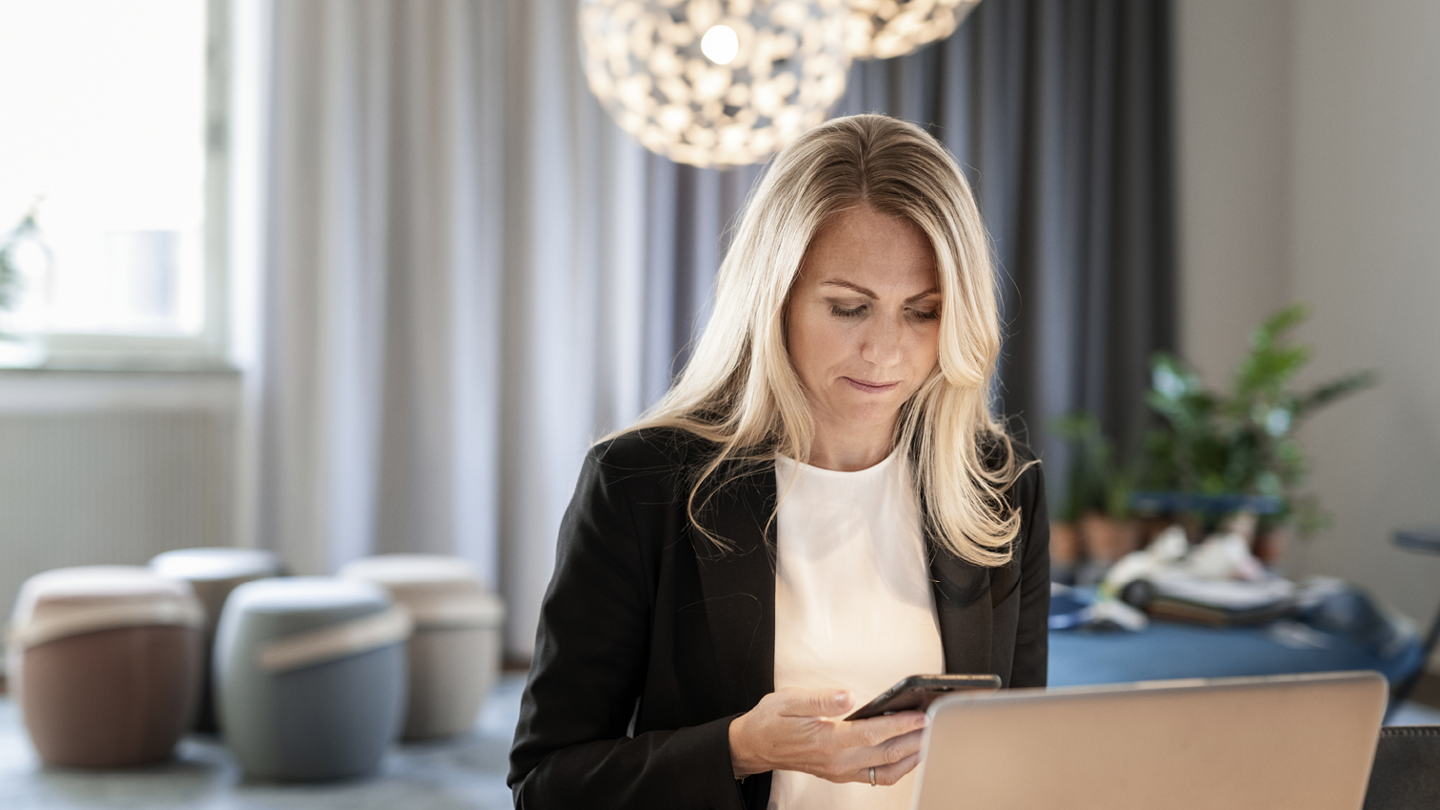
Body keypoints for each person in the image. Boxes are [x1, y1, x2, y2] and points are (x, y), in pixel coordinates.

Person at [508, 114, 1050, 809]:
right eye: (849, 308)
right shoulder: (640, 483)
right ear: (775, 299)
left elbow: (1021, 756)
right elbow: (546, 783)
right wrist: (741, 748)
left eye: (922, 312)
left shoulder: (1002, 487)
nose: (885, 352)